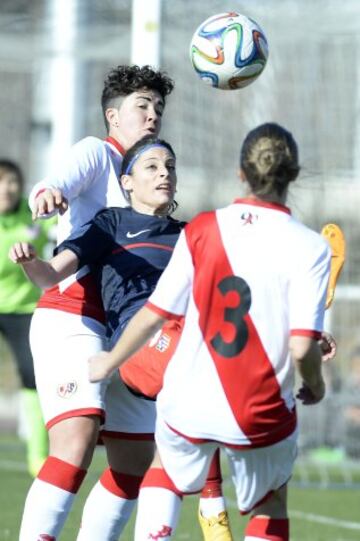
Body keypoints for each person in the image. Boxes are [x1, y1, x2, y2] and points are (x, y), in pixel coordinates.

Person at [86, 123, 332, 541]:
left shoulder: (202, 228)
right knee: (270, 504)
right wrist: (315, 384)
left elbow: (155, 312)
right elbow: (302, 345)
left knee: (164, 471)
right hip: (258, 408)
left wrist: (109, 360)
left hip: (190, 400)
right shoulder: (309, 246)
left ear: (241, 173)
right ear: (294, 174)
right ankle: (222, 510)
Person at [10, 135, 232, 541]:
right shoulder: (111, 223)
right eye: (152, 166)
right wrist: (30, 263)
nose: (164, 173)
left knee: (134, 467)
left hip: (169, 347)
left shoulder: (191, 235)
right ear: (126, 182)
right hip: (138, 348)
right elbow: (50, 276)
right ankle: (213, 500)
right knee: (201, 381)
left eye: (170, 167)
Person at [12, 66, 175, 541]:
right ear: (113, 116)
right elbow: (56, 181)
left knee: (134, 461)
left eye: (158, 109)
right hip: (72, 315)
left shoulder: (152, 185)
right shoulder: (96, 153)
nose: (152, 116)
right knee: (76, 438)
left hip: (128, 333)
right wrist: (49, 193)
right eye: (142, 107)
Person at [0, 159, 53, 477]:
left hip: (24, 310)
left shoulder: (34, 217)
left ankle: (39, 458)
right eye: (1, 181)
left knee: (33, 377)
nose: (6, 188)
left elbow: (60, 234)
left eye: (12, 182)